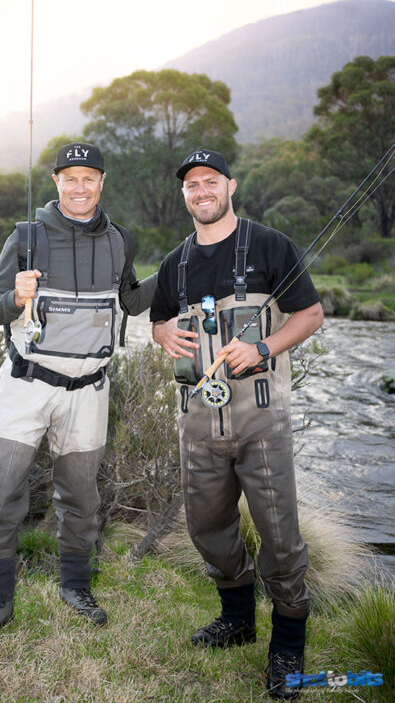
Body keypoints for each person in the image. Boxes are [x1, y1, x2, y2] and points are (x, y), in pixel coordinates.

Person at [0, 142, 157, 644]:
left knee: (82, 499)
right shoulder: (26, 237)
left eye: (90, 177)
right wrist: (15, 296)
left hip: (89, 391)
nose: (80, 186)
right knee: (0, 494)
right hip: (26, 387)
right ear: (56, 182)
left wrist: (175, 270)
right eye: (71, 177)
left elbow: (129, 300)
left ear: (102, 183)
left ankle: (76, 586)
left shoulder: (120, 240)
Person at [151, 148, 323, 700]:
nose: (201, 191)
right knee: (207, 528)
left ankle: (288, 649)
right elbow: (156, 321)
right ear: (185, 196)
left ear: (231, 186)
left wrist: (263, 347)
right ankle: (239, 618)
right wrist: (161, 335)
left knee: (279, 535)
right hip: (197, 422)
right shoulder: (175, 262)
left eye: (211, 181)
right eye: (192, 185)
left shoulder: (272, 245)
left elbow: (311, 314)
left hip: (261, 419)